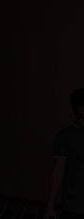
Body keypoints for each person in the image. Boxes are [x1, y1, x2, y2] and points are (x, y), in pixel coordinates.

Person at [45, 88, 84, 219]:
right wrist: (50, 206)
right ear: (80, 109)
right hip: (75, 207)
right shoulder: (66, 136)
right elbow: (58, 170)